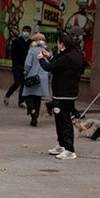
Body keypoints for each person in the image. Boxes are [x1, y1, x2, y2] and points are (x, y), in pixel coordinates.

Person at [38, 32, 84, 160]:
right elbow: (58, 65)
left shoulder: (67, 57)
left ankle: (69, 149)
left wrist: (41, 58)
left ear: (62, 44)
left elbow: (50, 67)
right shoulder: (73, 55)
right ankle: (62, 144)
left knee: (64, 121)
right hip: (68, 93)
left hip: (63, 94)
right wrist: (51, 57)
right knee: (60, 120)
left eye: (58, 43)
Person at [22, 33, 50, 127]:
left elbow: (27, 64)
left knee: (28, 95)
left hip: (32, 76)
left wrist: (26, 73)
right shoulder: (46, 51)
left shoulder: (32, 51)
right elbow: (49, 64)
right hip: (43, 77)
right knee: (37, 98)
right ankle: (35, 118)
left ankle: (32, 111)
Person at [4, 26, 32, 106]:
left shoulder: (30, 43)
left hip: (26, 66)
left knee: (24, 84)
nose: (25, 32)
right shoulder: (17, 41)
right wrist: (16, 63)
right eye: (24, 31)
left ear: (30, 32)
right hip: (17, 65)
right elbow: (13, 53)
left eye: (27, 31)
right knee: (17, 82)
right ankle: (7, 95)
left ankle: (21, 101)